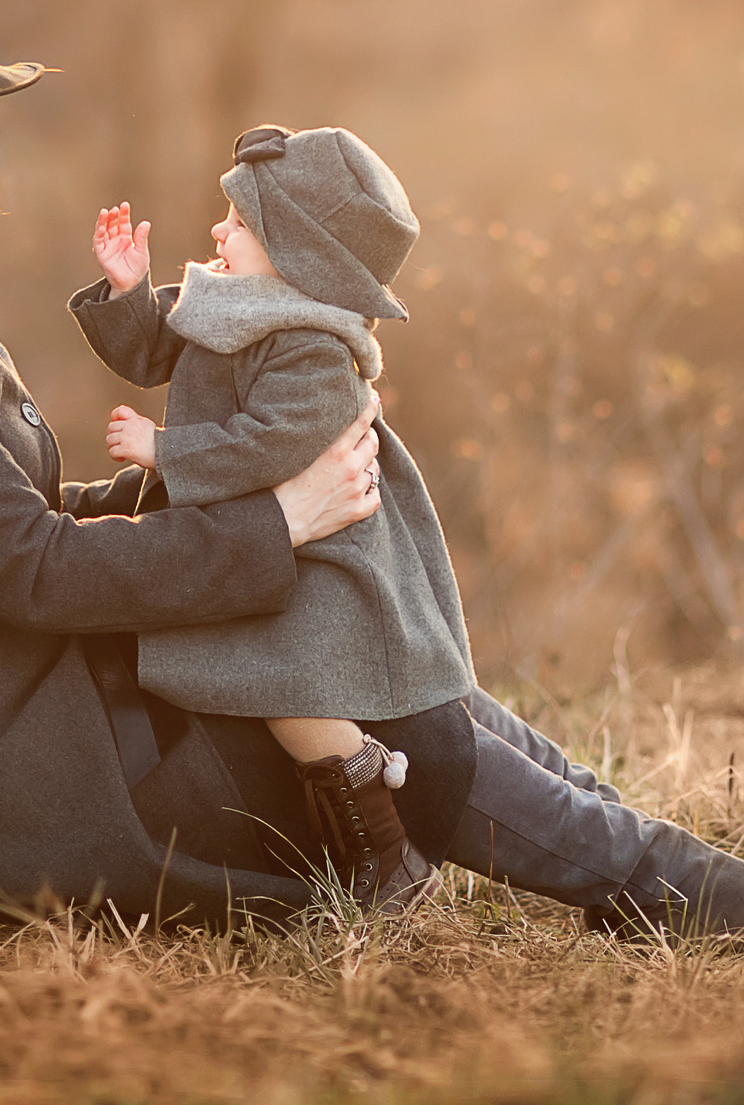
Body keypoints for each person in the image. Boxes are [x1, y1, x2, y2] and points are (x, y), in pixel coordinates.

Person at [0, 0, 744, 937]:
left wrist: (195, 486)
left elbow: (5, 521)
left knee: (361, 660)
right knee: (347, 681)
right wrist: (276, 519)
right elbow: (26, 566)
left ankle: (651, 861)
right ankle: (672, 890)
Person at [72, 126, 473, 909]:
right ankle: (351, 837)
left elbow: (272, 444)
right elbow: (154, 349)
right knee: (263, 687)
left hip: (321, 560)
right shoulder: (231, 304)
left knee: (289, 688)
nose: (217, 231)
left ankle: (384, 848)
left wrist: (165, 449)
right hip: (264, 542)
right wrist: (128, 291)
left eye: (239, 223)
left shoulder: (314, 346)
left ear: (297, 254)